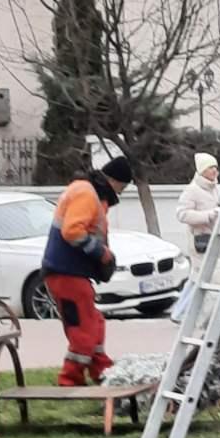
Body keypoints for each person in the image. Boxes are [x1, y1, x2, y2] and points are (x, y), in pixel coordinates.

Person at [42, 156, 133, 388]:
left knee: (94, 321)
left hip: (70, 272)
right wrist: (100, 253)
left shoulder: (86, 191)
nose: (119, 194)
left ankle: (101, 369)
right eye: (121, 187)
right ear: (113, 181)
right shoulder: (86, 194)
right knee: (83, 328)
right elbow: (72, 231)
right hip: (66, 272)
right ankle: (70, 379)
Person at [177, 152, 220, 269]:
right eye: (210, 167)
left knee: (218, 275)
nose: (215, 171)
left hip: (217, 239)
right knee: (208, 276)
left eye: (216, 167)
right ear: (202, 170)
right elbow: (182, 214)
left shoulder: (216, 188)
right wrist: (208, 215)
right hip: (201, 242)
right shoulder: (192, 190)